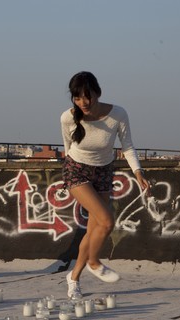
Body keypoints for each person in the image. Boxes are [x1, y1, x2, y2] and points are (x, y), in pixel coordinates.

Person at [60, 71, 150, 299]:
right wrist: (71, 171)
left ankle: (73, 279)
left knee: (94, 230)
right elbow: (67, 146)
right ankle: (93, 261)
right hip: (77, 169)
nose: (83, 102)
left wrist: (138, 173)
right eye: (77, 98)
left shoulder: (117, 114)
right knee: (107, 220)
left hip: (104, 170)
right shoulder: (68, 118)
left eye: (87, 97)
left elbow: (127, 146)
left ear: (98, 93)